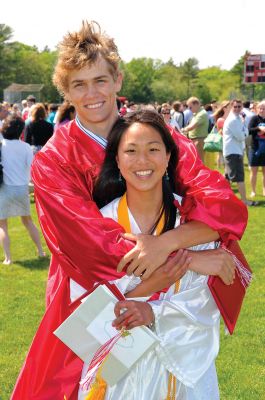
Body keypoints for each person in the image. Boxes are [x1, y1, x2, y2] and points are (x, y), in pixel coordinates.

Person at [11, 21, 247, 399]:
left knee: (172, 379)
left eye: (100, 80)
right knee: (87, 385)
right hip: (89, 293)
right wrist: (190, 257)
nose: (92, 94)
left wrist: (168, 243)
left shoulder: (154, 137)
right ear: (66, 92)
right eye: (79, 84)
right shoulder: (55, 160)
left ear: (118, 80)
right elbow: (91, 246)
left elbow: (221, 205)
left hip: (170, 295)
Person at [78, 110, 221, 399]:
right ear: (117, 160)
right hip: (118, 371)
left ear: (168, 156)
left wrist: (152, 311)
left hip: (183, 372)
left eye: (153, 149)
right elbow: (80, 304)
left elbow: (208, 300)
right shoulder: (99, 225)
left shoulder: (194, 223)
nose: (142, 161)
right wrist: (149, 290)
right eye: (130, 151)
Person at [0, 115, 45, 264]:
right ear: (20, 130)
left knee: (3, 225)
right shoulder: (25, 147)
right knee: (28, 221)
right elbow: (32, 168)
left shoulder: (1, 145)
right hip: (21, 188)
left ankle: (8, 258)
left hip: (4, 189)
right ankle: (40, 250)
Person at [223, 99, 255, 206]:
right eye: (235, 106)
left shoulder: (237, 118)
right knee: (239, 177)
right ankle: (244, 201)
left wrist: (244, 131)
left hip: (233, 151)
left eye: (239, 106)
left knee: (228, 177)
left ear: (242, 107)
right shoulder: (233, 120)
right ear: (231, 107)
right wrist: (244, 131)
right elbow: (242, 136)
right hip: (233, 152)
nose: (237, 108)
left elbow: (245, 131)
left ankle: (225, 200)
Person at [181, 97, 209, 162]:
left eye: (190, 107)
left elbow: (192, 126)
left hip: (199, 141)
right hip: (196, 140)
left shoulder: (202, 114)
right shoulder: (197, 113)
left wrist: (183, 130)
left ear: (196, 104)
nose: (189, 109)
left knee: (199, 161)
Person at [247, 100, 265, 197]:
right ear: (257, 109)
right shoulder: (254, 118)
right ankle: (253, 191)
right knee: (253, 171)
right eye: (260, 108)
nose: (262, 110)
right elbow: (249, 130)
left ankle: (264, 190)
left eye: (264, 108)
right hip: (255, 148)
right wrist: (259, 129)